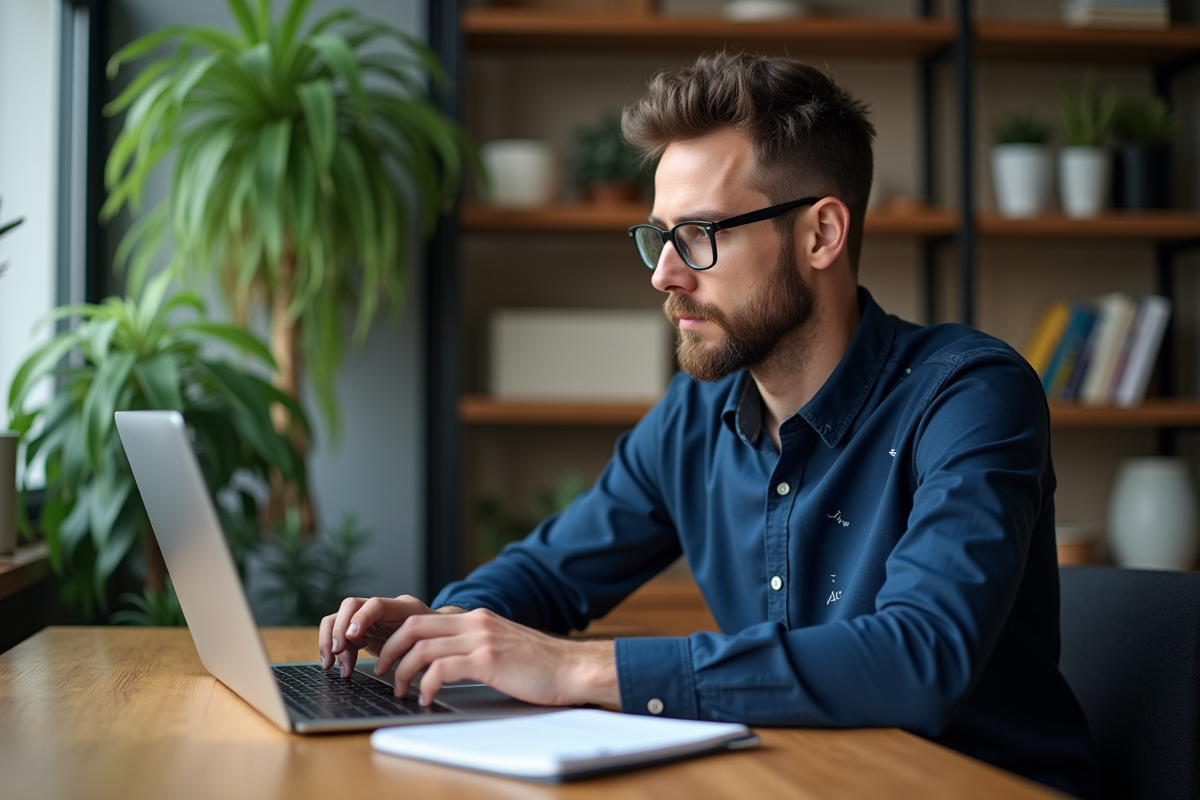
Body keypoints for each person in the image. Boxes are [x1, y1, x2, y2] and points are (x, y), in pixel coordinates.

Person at [319, 52, 1098, 798]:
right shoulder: (696, 414)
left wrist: (579, 669)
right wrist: (445, 626)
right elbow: (553, 572)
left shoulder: (969, 394)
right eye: (659, 237)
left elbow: (919, 660)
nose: (665, 273)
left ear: (821, 234)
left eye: (700, 235)